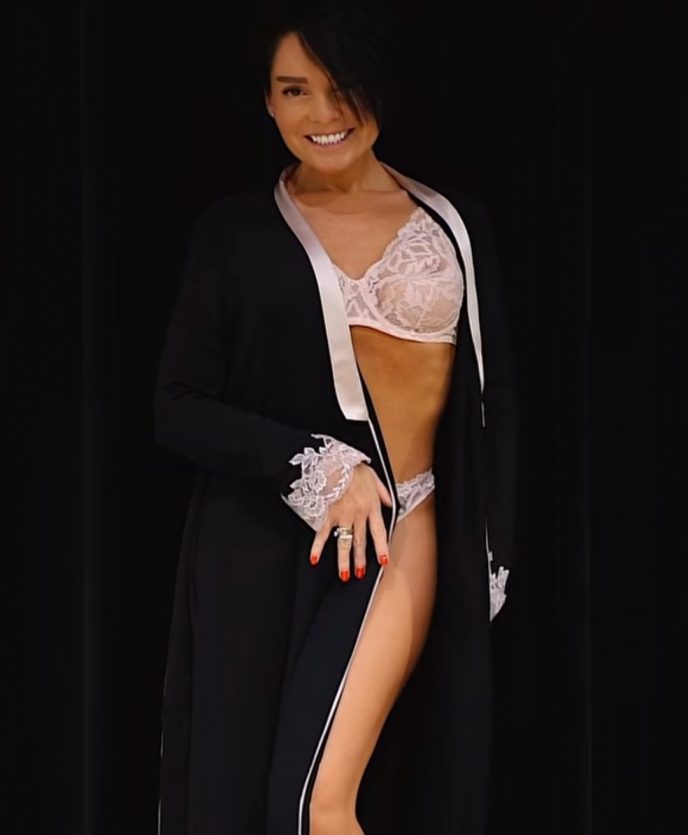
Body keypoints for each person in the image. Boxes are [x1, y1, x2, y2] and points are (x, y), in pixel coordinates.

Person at [153, 4, 520, 834]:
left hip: (404, 531)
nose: (323, 113)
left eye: (342, 85)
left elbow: (495, 401)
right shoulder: (234, 232)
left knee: (317, 802)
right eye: (295, 90)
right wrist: (315, 463)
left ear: (379, 87)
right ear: (268, 101)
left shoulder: (452, 224)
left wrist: (491, 547)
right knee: (248, 801)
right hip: (261, 543)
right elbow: (176, 406)